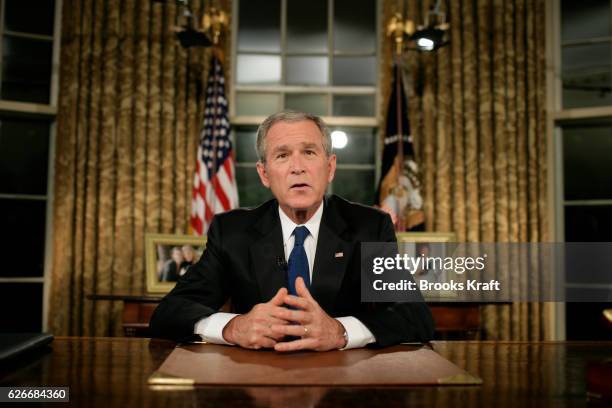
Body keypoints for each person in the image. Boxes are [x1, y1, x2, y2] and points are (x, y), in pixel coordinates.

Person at [149, 110, 434, 351]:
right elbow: (169, 313)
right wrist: (234, 327)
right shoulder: (232, 232)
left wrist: (340, 332)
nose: (298, 168)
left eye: (309, 152)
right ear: (264, 174)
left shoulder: (369, 228)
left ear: (330, 167)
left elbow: (413, 315)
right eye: (282, 156)